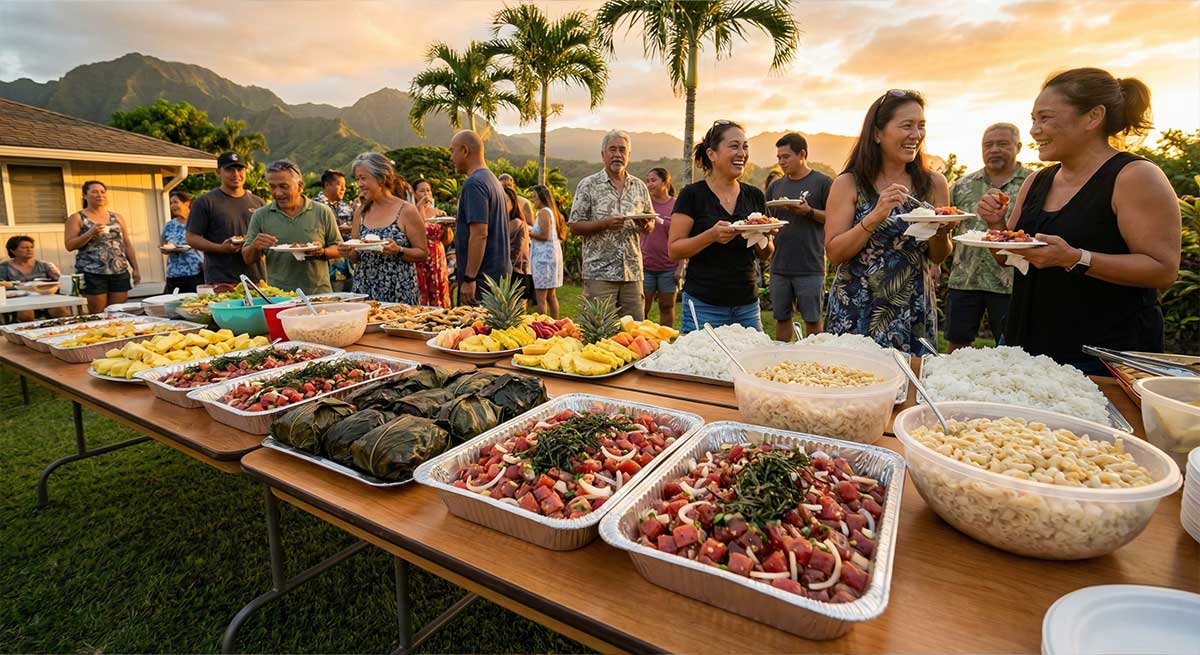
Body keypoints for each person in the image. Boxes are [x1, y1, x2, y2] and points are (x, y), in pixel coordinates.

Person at [985, 68, 1180, 374]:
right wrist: (996, 228)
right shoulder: (1037, 181)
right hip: (1024, 348)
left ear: (1093, 117)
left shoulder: (1134, 176)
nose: (1035, 130)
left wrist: (1076, 258)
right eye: (1033, 119)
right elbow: (1007, 258)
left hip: (1102, 359)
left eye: (1045, 118)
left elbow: (1163, 270)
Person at [825, 90, 952, 353]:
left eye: (921, 126)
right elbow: (835, 253)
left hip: (913, 307)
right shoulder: (848, 184)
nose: (916, 135)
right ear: (877, 134)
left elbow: (937, 256)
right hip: (857, 307)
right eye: (907, 126)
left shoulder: (934, 184)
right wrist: (874, 217)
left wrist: (942, 234)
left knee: (910, 387)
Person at [668, 120, 775, 333]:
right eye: (734, 146)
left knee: (750, 364)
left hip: (747, 304)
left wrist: (762, 235)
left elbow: (765, 254)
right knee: (702, 366)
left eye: (745, 147)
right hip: (703, 304)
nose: (742, 153)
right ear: (712, 154)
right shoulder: (692, 195)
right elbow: (674, 249)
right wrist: (710, 236)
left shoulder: (754, 195)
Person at [945, 123, 1031, 352]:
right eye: (988, 145)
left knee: (1012, 349)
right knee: (958, 344)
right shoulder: (962, 185)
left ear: (1018, 146)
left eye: (1002, 144)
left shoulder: (1032, 185)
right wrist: (935, 265)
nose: (994, 149)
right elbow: (944, 224)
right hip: (964, 278)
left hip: (1010, 283)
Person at [569, 130, 654, 320]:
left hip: (632, 273)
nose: (617, 154)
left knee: (634, 333)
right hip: (599, 274)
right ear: (603, 155)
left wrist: (644, 223)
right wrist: (604, 224)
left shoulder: (639, 186)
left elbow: (649, 226)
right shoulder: (588, 185)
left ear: (629, 155)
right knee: (598, 333)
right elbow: (574, 226)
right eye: (612, 149)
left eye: (622, 150)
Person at [335, 153, 428, 304]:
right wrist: (348, 253)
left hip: (398, 292)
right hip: (365, 291)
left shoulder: (406, 210)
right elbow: (357, 258)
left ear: (382, 179)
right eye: (357, 179)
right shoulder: (361, 212)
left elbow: (423, 253)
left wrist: (398, 251)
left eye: (363, 178)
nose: (359, 184)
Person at [767, 133, 834, 342]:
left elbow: (835, 218)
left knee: (812, 320)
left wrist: (809, 212)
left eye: (786, 157)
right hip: (779, 265)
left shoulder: (822, 182)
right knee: (781, 317)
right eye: (779, 157)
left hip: (810, 266)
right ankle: (781, 358)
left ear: (802, 154)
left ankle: (814, 360)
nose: (781, 162)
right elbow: (767, 218)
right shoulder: (775, 186)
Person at [242, 160, 343, 295]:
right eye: (272, 187)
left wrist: (322, 252)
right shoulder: (260, 215)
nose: (277, 193)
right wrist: (255, 246)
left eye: (284, 186)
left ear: (300, 186)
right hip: (279, 296)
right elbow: (248, 258)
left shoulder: (322, 211)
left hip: (319, 295)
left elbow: (338, 248)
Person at [449, 130, 510, 304]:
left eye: (452, 151)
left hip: (481, 280)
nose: (451, 157)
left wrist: (469, 279)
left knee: (476, 330)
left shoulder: (474, 183)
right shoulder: (492, 180)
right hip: (496, 277)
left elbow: (480, 233)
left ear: (465, 150)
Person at [186, 151, 266, 284]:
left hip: (256, 280)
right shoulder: (205, 202)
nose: (236, 174)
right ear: (218, 172)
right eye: (229, 169)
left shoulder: (258, 202)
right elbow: (191, 238)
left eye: (240, 169)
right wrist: (220, 248)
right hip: (221, 280)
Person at [64, 180, 141, 313]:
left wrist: (135, 268)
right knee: (98, 314)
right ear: (85, 195)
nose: (100, 195)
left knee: (118, 313)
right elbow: (70, 245)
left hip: (119, 271)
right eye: (94, 192)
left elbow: (126, 244)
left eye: (102, 192)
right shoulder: (77, 218)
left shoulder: (117, 217)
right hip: (92, 273)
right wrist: (90, 233)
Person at [641, 167, 681, 326]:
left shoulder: (676, 205)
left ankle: (665, 340)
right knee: (642, 307)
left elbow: (683, 236)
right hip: (645, 265)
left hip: (669, 266)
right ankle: (642, 339)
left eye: (653, 180)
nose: (649, 184)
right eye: (648, 180)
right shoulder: (644, 204)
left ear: (665, 182)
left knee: (667, 306)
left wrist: (681, 267)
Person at [1, 236, 65, 322]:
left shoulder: (45, 265)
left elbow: (60, 281)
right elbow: (2, 285)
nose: (29, 250)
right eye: (24, 248)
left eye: (31, 247)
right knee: (26, 313)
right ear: (12, 250)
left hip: (44, 298)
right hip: (18, 300)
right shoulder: (4, 267)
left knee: (59, 310)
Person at [413, 178, 453, 308]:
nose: (426, 194)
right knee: (422, 289)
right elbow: (418, 230)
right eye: (422, 190)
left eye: (429, 190)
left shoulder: (438, 213)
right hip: (421, 256)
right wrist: (420, 207)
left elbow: (448, 240)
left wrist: (446, 227)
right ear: (414, 194)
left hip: (437, 255)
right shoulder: (411, 211)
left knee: (438, 288)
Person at [314, 169, 355, 291]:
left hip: (347, 266)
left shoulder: (346, 207)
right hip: (326, 267)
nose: (343, 189)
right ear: (327, 185)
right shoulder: (314, 206)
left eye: (344, 186)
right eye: (340, 185)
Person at [529, 184, 565, 318]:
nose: (533, 200)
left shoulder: (544, 212)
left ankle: (542, 326)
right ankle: (555, 324)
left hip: (544, 259)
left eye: (535, 197)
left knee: (541, 298)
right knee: (551, 295)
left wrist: (529, 232)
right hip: (551, 257)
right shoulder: (552, 211)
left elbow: (545, 235)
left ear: (542, 198)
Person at [159, 190, 203, 293]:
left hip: (195, 271)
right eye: (171, 203)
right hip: (174, 273)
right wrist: (166, 249)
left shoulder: (197, 221)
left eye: (175, 202)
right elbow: (163, 246)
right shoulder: (169, 225)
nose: (172, 205)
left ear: (186, 203)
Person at [504, 186, 535, 303]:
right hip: (513, 270)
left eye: (506, 201)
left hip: (515, 272)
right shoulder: (506, 221)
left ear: (514, 203)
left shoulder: (515, 222)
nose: (503, 204)